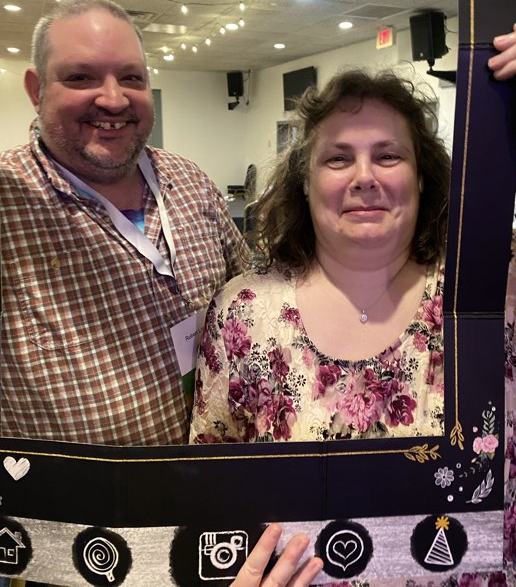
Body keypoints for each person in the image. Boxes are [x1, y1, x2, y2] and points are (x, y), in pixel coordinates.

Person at [0, 0, 324, 587]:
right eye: (81, 77)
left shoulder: (187, 179)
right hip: (81, 542)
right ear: (36, 89)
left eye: (131, 78)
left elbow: (258, 303)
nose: (113, 99)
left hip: (216, 516)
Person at [190, 68, 449, 442]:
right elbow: (214, 466)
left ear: (421, 177)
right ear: (306, 182)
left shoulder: (489, 296)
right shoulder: (243, 312)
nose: (364, 177)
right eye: (338, 159)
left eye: (388, 156)